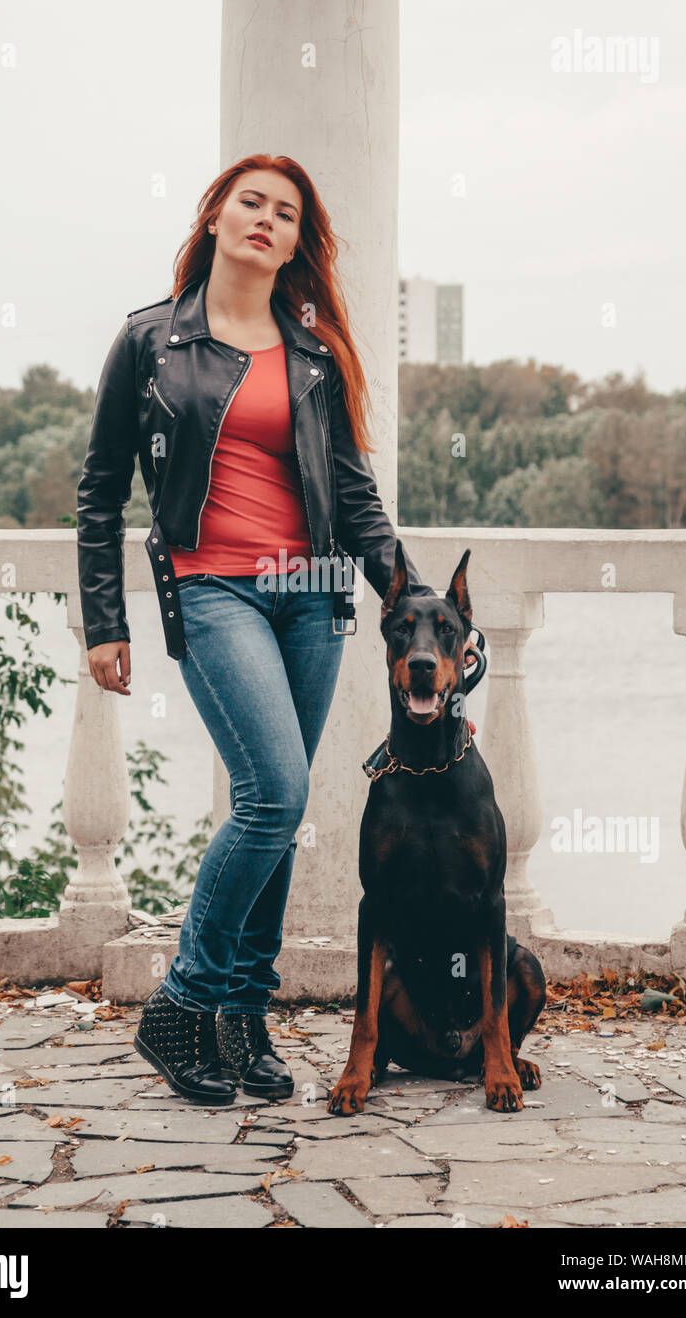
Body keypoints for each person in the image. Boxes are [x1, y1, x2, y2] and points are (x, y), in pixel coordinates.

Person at [76, 153, 479, 1106]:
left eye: (285, 211)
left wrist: (419, 603)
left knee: (278, 811)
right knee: (275, 792)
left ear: (298, 240)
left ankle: (242, 1019)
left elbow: (352, 494)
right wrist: (103, 620)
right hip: (213, 587)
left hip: (311, 593)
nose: (265, 218)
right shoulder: (150, 343)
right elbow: (99, 492)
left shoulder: (312, 352)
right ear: (215, 215)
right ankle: (182, 1003)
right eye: (249, 201)